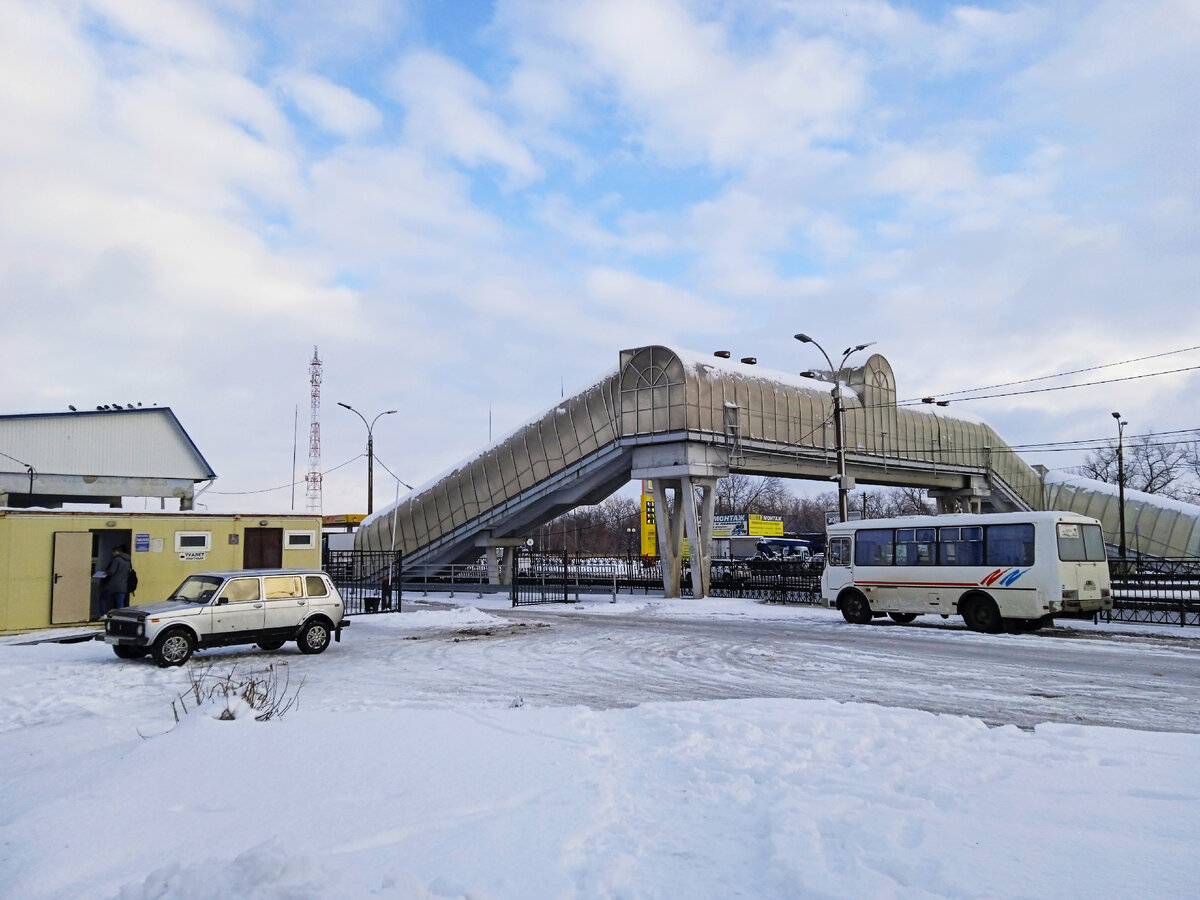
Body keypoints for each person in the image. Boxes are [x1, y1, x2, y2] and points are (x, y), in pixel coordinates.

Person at [99, 545, 132, 616]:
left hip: (113, 585)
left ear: (117, 552)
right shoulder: (128, 560)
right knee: (120, 602)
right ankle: (121, 616)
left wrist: (106, 572)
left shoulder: (116, 560)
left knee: (103, 598)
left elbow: (111, 571)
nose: (112, 554)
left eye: (113, 552)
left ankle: (104, 614)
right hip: (123, 585)